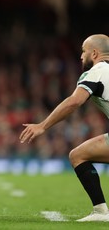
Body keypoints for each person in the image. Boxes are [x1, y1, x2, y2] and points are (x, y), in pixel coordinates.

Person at [19, 34, 109, 222]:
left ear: (94, 53)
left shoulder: (98, 70)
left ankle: (101, 212)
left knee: (77, 155)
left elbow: (74, 102)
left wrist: (43, 126)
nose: (81, 56)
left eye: (83, 51)